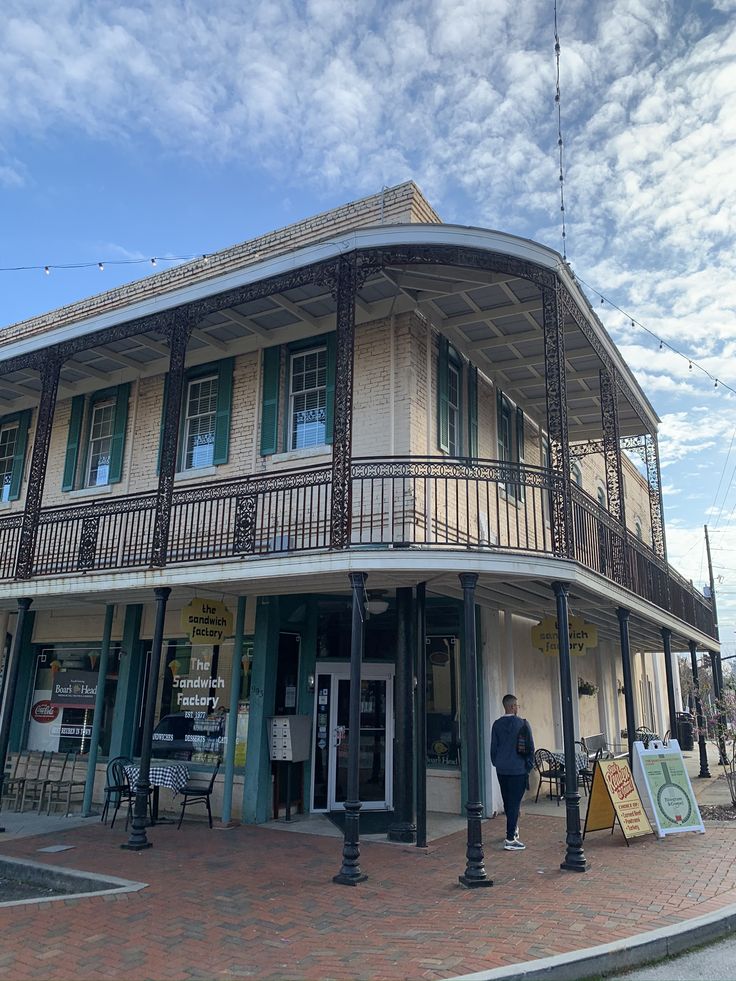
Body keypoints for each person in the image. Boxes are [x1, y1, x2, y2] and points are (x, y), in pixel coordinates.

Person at [491, 693, 535, 851]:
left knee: (508, 801)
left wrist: (497, 762)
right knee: (515, 803)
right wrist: (528, 766)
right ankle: (510, 838)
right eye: (516, 705)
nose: (517, 708)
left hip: (502, 768)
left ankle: (513, 829)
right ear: (512, 707)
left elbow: (493, 748)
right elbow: (530, 747)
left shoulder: (496, 725)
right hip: (518, 768)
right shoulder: (522, 724)